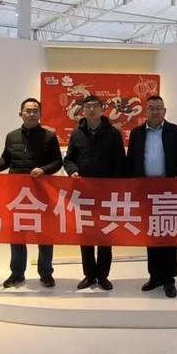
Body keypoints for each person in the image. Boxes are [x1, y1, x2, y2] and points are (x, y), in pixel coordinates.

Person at [127, 95, 177, 298]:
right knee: (152, 234)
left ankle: (169, 279)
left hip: (169, 192)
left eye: (159, 108)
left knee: (168, 234)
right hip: (145, 192)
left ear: (164, 111)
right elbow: (131, 160)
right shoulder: (137, 133)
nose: (155, 111)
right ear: (145, 111)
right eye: (151, 108)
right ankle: (155, 276)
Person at [0, 98, 63, 289]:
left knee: (45, 234)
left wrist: (44, 170)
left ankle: (46, 273)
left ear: (40, 114)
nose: (31, 114)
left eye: (35, 111)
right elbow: (5, 160)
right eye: (28, 111)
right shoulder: (11, 136)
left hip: (42, 193)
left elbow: (58, 162)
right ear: (20, 114)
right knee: (17, 234)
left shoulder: (49, 136)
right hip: (17, 195)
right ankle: (17, 273)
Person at [63, 95, 126, 291]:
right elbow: (69, 159)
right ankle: (89, 275)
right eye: (88, 106)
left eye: (95, 106)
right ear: (83, 110)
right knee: (87, 235)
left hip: (107, 193)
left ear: (102, 109)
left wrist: (114, 187)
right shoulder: (77, 134)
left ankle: (103, 276)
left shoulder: (113, 133)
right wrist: (72, 170)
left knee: (106, 235)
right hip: (84, 192)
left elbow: (120, 161)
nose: (91, 110)